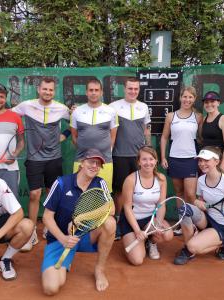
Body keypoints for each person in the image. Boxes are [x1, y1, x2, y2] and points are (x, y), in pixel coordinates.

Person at [0, 77, 71, 251]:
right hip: (34, 158)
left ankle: (50, 225)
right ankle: (31, 230)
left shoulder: (61, 108)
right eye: (44, 89)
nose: (47, 92)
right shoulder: (26, 106)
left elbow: (76, 121)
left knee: (52, 192)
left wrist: (64, 135)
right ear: (38, 90)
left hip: (54, 158)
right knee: (34, 194)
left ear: (53, 91)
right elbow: (5, 112)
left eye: (50, 90)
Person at [41, 148, 116, 295]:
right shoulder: (61, 183)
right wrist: (63, 239)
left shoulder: (100, 183)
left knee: (110, 223)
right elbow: (46, 217)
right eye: (91, 161)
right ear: (82, 163)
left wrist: (80, 219)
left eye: (98, 164)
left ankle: (99, 270)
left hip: (87, 236)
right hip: (61, 240)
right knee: (51, 288)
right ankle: (65, 262)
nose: (95, 166)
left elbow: (111, 208)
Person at [173, 146, 224, 265]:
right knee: (184, 209)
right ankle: (189, 250)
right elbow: (199, 202)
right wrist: (197, 202)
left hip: (223, 226)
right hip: (208, 219)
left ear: (217, 161)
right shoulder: (201, 180)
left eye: (206, 160)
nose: (202, 163)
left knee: (193, 246)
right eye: (200, 160)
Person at [109, 77, 151, 239]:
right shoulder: (114, 107)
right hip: (119, 156)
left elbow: (146, 129)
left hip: (139, 158)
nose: (133, 91)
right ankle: (118, 223)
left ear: (138, 90)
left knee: (137, 191)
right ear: (124, 89)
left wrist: (147, 150)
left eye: (136, 89)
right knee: (119, 192)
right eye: (130, 88)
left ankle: (133, 223)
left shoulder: (144, 107)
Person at [120, 146, 173, 265]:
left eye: (151, 159)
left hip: (150, 219)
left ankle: (151, 242)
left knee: (167, 234)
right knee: (137, 260)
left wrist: (158, 224)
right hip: (132, 221)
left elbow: (161, 204)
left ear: (156, 161)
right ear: (138, 162)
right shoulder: (130, 180)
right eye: (144, 159)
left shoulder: (161, 179)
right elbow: (127, 208)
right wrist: (137, 231)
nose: (148, 163)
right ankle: (137, 240)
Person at [70, 79, 118, 192]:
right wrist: (84, 149)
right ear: (86, 92)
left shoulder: (111, 111)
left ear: (101, 92)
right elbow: (74, 136)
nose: (93, 93)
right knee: (79, 193)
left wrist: (105, 150)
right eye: (91, 90)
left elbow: (113, 136)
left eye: (96, 90)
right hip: (81, 160)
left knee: (103, 195)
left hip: (104, 161)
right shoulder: (77, 112)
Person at [160, 86, 202, 205]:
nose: (187, 100)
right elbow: (164, 137)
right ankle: (183, 222)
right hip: (174, 159)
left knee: (190, 194)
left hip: (192, 159)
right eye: (185, 96)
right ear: (180, 98)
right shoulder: (171, 116)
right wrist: (163, 157)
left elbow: (201, 138)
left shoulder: (198, 117)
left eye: (190, 97)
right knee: (179, 193)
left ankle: (193, 221)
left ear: (194, 99)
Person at [200, 91, 224, 176]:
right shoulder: (204, 119)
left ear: (218, 103)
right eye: (206, 102)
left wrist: (222, 167)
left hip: (218, 163)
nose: (209, 104)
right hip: (205, 163)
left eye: (212, 101)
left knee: (221, 189)